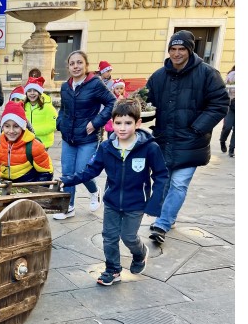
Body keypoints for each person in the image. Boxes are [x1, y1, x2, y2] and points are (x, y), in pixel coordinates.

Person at [58, 99, 169, 285]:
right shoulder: (106, 147)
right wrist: (67, 180)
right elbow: (90, 170)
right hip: (111, 201)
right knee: (109, 237)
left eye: (128, 123)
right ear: (112, 123)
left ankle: (140, 254)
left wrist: (155, 202)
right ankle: (113, 270)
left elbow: (161, 175)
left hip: (136, 203)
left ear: (138, 123)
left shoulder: (149, 148)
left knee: (128, 237)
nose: (122, 128)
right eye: (118, 123)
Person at [146, 30, 229, 243]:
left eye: (181, 49)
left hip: (191, 140)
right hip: (164, 140)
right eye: (173, 49)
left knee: (179, 184)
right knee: (162, 183)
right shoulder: (158, 76)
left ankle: (162, 224)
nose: (176, 53)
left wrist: (197, 128)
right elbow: (147, 102)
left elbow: (220, 104)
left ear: (190, 50)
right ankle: (167, 216)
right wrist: (135, 112)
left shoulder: (208, 74)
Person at [54, 50, 117, 220]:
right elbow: (63, 109)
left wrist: (96, 122)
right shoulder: (65, 86)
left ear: (86, 65)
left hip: (87, 138)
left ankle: (94, 191)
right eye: (72, 63)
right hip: (68, 137)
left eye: (79, 62)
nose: (76, 66)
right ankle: (68, 207)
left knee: (82, 171)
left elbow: (113, 102)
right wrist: (59, 123)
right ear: (68, 67)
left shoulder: (95, 84)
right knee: (67, 173)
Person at [0, 101, 54, 183]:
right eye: (7, 126)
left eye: (16, 126)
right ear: (2, 127)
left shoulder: (34, 146)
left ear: (23, 127)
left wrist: (36, 191)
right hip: (6, 186)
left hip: (28, 187)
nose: (11, 131)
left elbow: (46, 172)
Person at [23, 76, 57, 150]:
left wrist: (33, 131)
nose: (32, 93)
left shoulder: (48, 107)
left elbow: (52, 125)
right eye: (29, 91)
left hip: (42, 142)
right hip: (26, 141)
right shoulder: (23, 107)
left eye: (35, 90)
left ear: (39, 92)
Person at [220, 66, 235, 157]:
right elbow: (225, 87)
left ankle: (232, 149)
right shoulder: (233, 74)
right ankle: (222, 140)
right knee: (227, 126)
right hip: (231, 104)